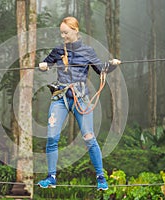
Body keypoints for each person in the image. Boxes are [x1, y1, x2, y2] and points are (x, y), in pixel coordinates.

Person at [37, 16, 121, 191]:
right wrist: (43, 65)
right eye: (61, 33)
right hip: (60, 97)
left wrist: (112, 65)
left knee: (89, 137)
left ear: (75, 30)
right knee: (52, 137)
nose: (63, 36)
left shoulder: (88, 51)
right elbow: (46, 63)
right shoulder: (58, 50)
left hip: (80, 98)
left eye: (66, 32)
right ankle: (51, 177)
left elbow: (101, 70)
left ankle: (101, 178)